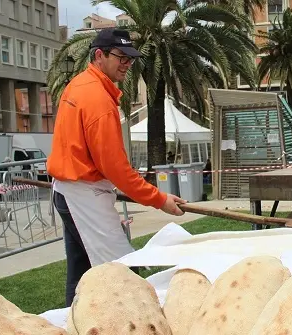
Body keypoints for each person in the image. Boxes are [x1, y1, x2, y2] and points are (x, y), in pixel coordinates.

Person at [47, 28, 187, 307]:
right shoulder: (98, 99)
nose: (126, 64)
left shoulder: (80, 84)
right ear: (99, 55)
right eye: (120, 57)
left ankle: (70, 322)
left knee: (81, 272)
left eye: (130, 59)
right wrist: (160, 199)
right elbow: (117, 169)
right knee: (123, 272)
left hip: (69, 191)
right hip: (84, 195)